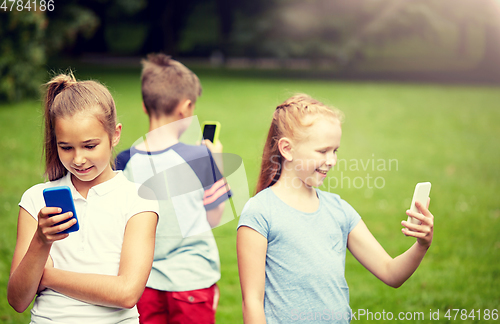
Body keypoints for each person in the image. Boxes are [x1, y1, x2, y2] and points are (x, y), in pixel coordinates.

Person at [237, 94, 434, 324]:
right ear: (287, 149)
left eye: (335, 151)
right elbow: (252, 303)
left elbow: (391, 272)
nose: (331, 160)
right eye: (322, 151)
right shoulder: (260, 212)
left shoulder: (339, 211)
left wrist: (421, 245)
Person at [7, 72, 159, 323]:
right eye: (66, 147)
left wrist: (46, 277)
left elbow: (126, 293)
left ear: (115, 135)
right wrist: (41, 241)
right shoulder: (36, 199)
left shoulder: (139, 200)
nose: (77, 159)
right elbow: (18, 300)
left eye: (89, 146)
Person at [115, 53, 231, 324]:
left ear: (145, 106)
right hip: (192, 281)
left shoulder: (124, 161)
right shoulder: (201, 158)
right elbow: (215, 216)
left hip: (142, 281)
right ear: (186, 108)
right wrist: (217, 163)